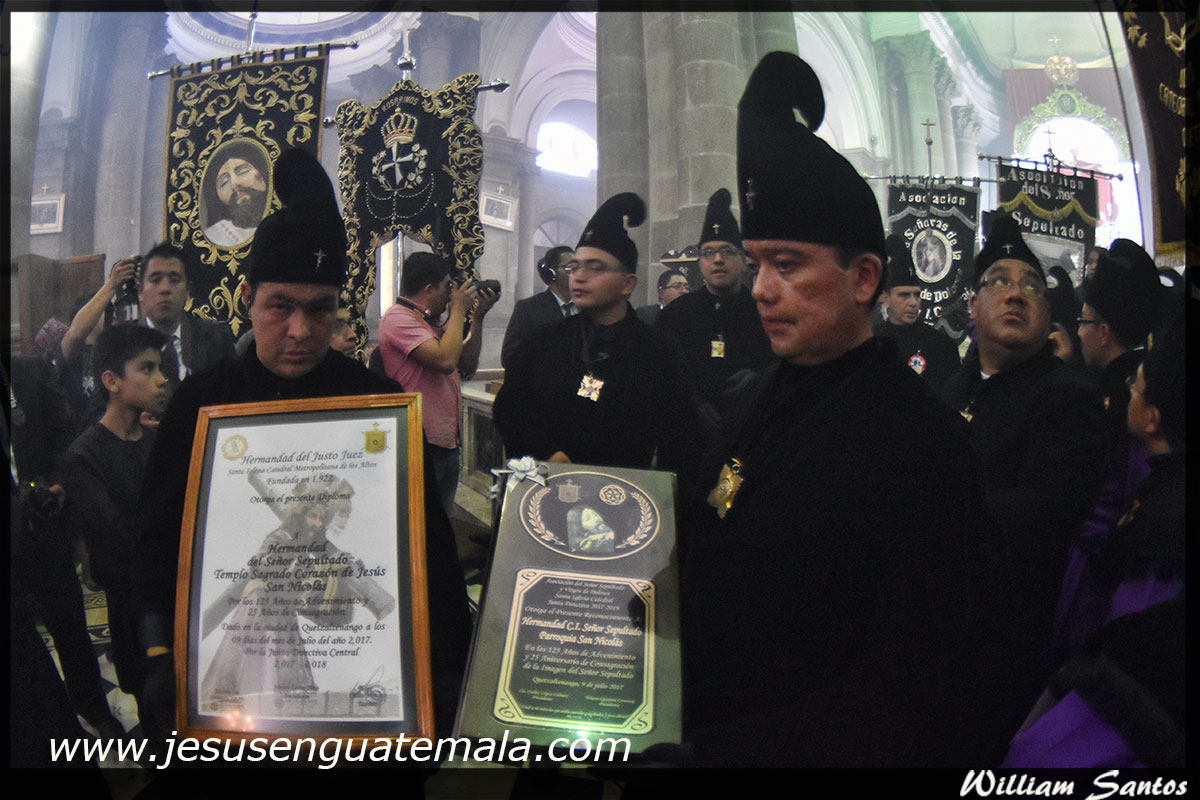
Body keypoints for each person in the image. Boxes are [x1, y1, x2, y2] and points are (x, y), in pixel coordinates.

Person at [676, 52, 990, 767]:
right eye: (757, 262)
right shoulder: (758, 398)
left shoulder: (923, 444)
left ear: (864, 277)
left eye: (787, 265)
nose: (761, 288)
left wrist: (726, 758)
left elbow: (906, 685)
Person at [131, 148, 471, 747]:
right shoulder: (200, 405)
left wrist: (441, 666)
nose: (300, 330)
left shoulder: (377, 401)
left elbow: (428, 548)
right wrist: (156, 653)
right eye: (280, 307)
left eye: (320, 310)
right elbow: (156, 545)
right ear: (247, 298)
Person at [941, 213, 1108, 745]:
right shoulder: (946, 394)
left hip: (1006, 649)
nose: (1016, 294)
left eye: (1031, 287)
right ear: (973, 305)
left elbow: (1047, 514)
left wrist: (937, 503)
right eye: (999, 282)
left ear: (1048, 315)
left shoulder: (1068, 399)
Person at [1004, 302, 1184, 768]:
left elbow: (1134, 655)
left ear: (1152, 418)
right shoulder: (1159, 490)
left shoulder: (1163, 531)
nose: (1129, 390)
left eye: (1137, 386)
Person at [493, 192, 700, 475]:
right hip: (548, 484)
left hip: (624, 490)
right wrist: (546, 452)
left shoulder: (659, 352)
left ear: (628, 284)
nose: (579, 276)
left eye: (595, 267)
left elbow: (681, 440)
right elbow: (510, 410)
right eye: (574, 267)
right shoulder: (543, 342)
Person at [1054, 239, 1166, 655]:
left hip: (1097, 571)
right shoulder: (1127, 382)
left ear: (1102, 333)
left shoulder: (1117, 398)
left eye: (1083, 323)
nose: (1079, 332)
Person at [63, 323, 170, 728]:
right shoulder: (85, 457)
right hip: (133, 608)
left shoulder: (157, 441)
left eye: (160, 368)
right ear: (112, 381)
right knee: (156, 710)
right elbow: (115, 540)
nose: (161, 380)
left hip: (173, 598)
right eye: (147, 369)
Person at [378, 251, 497, 514]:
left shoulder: (434, 322)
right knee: (421, 523)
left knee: (441, 523)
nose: (451, 294)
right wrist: (459, 309)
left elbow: (466, 365)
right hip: (419, 444)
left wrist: (477, 318)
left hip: (447, 443)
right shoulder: (397, 318)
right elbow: (445, 361)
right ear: (429, 289)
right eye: (447, 287)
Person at [655, 189, 773, 425]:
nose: (718, 259)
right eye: (708, 253)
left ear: (744, 260)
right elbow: (660, 373)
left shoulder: (767, 312)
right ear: (700, 263)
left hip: (751, 422)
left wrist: (761, 378)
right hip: (687, 428)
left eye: (727, 251)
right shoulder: (674, 315)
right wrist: (694, 402)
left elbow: (786, 364)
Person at [136, 242, 237, 395]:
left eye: (174, 280)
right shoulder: (124, 345)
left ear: (187, 290)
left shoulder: (216, 338)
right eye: (155, 280)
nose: (165, 289)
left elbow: (235, 397)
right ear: (140, 291)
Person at [871, 234, 961, 390]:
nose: (913, 302)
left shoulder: (941, 346)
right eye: (904, 295)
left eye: (917, 295)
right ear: (886, 299)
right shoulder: (871, 345)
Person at [500, 246, 575, 369]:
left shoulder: (588, 308)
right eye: (570, 267)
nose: (577, 273)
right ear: (552, 273)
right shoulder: (528, 308)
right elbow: (509, 357)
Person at [202, 140, 271, 247]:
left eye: (243, 171)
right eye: (224, 183)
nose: (234, 184)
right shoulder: (216, 236)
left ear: (261, 172)